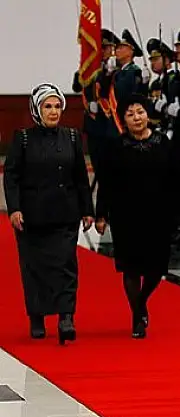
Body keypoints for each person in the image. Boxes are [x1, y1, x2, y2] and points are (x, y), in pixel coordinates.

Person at [94, 94, 180, 339]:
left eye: (140, 112)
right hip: (125, 216)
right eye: (130, 114)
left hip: (159, 215)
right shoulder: (115, 147)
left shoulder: (164, 143)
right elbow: (106, 183)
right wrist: (101, 214)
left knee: (156, 268)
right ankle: (137, 317)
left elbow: (179, 178)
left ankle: (141, 301)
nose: (137, 118)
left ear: (148, 115)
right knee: (130, 268)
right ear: (123, 119)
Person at [3, 83, 94, 345]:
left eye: (57, 106)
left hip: (65, 214)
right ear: (36, 109)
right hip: (32, 217)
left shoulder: (72, 137)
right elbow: (11, 177)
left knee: (66, 266)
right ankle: (37, 317)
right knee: (35, 269)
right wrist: (14, 208)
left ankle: (66, 318)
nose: (53, 111)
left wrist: (87, 210)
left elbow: (80, 177)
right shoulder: (22, 139)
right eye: (47, 106)